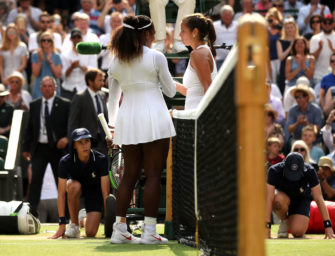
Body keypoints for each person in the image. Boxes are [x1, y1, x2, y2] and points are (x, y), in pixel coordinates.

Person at [108, 14, 176, 244]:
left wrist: (112, 125)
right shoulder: (157, 57)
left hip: (127, 119)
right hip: (154, 117)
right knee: (154, 176)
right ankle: (149, 231)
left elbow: (112, 100)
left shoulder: (115, 61)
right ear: (146, 34)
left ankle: (119, 230)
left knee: (129, 176)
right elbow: (170, 92)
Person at [22, 76, 70, 217]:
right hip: (40, 148)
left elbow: (71, 125)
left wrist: (67, 138)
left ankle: (67, 217)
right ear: (41, 88)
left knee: (61, 182)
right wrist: (25, 147)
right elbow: (30, 127)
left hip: (58, 148)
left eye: (50, 86)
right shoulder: (35, 104)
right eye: (45, 86)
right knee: (35, 182)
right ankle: (30, 216)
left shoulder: (65, 104)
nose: (47, 88)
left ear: (55, 87)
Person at [50, 128, 110, 238]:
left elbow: (105, 193)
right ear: (74, 146)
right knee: (73, 186)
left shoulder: (101, 160)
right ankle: (74, 225)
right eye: (80, 142)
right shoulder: (65, 161)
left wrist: (110, 223)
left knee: (90, 233)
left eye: (87, 141)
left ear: (91, 142)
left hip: (94, 193)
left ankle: (83, 219)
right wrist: (62, 224)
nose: (84, 145)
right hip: (76, 190)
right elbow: (61, 193)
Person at [266, 152, 335, 239]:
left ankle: (293, 220)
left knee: (297, 232)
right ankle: (284, 220)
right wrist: (267, 226)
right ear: (284, 166)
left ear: (303, 169)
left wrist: (328, 226)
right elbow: (269, 198)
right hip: (283, 198)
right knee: (277, 199)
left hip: (301, 199)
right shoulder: (274, 171)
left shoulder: (310, 171)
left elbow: (318, 198)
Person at [176, 13, 217, 110]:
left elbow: (208, 89)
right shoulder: (200, 52)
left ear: (194, 32)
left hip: (198, 117)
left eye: (183, 31)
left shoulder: (198, 54)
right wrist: (171, 83)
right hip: (194, 113)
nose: (179, 35)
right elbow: (192, 92)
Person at [68, 68, 108, 155]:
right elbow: (73, 122)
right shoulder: (79, 97)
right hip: (86, 143)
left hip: (103, 143)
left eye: (103, 80)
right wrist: (74, 143)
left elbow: (106, 119)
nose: (102, 83)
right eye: (99, 80)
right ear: (90, 81)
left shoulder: (103, 96)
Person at [61, 29, 97, 100]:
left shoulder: (89, 53)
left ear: (82, 38)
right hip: (68, 89)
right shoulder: (65, 54)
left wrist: (80, 66)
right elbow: (63, 76)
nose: (76, 39)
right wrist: (71, 67)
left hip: (84, 88)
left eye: (78, 37)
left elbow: (94, 72)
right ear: (71, 39)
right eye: (74, 37)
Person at [31, 31, 62, 99]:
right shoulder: (35, 55)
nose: (46, 42)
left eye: (49, 40)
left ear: (52, 42)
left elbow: (58, 75)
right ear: (40, 42)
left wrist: (50, 61)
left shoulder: (57, 55)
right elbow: (35, 74)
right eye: (43, 40)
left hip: (52, 87)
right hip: (39, 86)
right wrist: (40, 59)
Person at [310, 14, 335, 87]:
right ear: (322, 24)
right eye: (325, 23)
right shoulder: (315, 38)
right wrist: (319, 48)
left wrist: (332, 49)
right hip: (318, 75)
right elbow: (312, 59)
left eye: (329, 23)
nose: (327, 25)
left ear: (333, 24)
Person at [0, 23, 28, 88]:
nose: (11, 34)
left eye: (13, 32)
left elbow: (24, 64)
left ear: (16, 33)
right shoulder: (2, 47)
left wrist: (14, 75)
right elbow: (0, 65)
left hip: (19, 74)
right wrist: (2, 78)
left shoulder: (22, 46)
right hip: (6, 74)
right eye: (9, 32)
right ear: (6, 33)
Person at [276, 17, 298, 95]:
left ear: (295, 28)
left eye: (291, 27)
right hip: (284, 70)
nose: (289, 30)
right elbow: (281, 57)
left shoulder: (300, 40)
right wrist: (291, 46)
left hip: (297, 70)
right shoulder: (280, 41)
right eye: (287, 28)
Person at [213, 5, 237, 69]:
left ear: (232, 16)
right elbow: (211, 41)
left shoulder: (238, 25)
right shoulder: (215, 25)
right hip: (219, 60)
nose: (227, 17)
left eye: (229, 15)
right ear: (221, 16)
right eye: (225, 15)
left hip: (234, 60)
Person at [265, 7, 283, 84]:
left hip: (280, 58)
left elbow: (284, 38)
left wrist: (278, 25)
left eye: (273, 19)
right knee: (272, 81)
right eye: (270, 19)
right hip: (269, 59)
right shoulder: (266, 29)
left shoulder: (281, 29)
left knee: (281, 78)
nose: (271, 21)